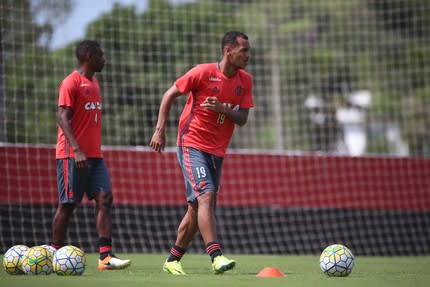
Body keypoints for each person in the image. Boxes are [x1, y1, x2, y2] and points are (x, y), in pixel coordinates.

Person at [150, 31, 254, 275]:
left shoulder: (245, 81)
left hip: (218, 151)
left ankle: (173, 260)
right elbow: (169, 94)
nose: (248, 55)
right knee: (206, 196)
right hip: (191, 143)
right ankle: (216, 256)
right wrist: (159, 130)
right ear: (228, 51)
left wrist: (222, 109)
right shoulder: (202, 72)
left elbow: (242, 119)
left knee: (197, 208)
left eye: (249, 51)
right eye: (244, 51)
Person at [51, 40, 131, 270]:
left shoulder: (94, 82)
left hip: (95, 157)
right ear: (88, 56)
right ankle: (55, 253)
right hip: (71, 155)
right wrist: (76, 149)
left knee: (105, 198)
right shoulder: (70, 82)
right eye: (100, 55)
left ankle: (105, 257)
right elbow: (62, 117)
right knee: (68, 204)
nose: (104, 59)